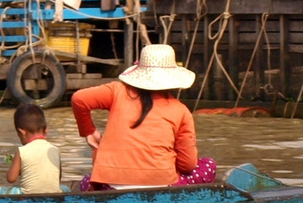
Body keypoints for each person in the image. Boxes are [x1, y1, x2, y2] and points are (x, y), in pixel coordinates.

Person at [69, 43, 216, 189]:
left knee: (88, 180)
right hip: (162, 186)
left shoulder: (118, 91)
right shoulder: (181, 110)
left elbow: (79, 99)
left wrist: (88, 131)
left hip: (111, 186)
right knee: (208, 165)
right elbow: (187, 165)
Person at [0, 103, 64, 194]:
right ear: (46, 130)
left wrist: (14, 164)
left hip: (27, 196)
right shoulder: (55, 149)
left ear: (22, 132)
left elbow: (11, 178)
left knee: (1, 191)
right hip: (54, 194)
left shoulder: (21, 151)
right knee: (64, 188)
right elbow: (58, 178)